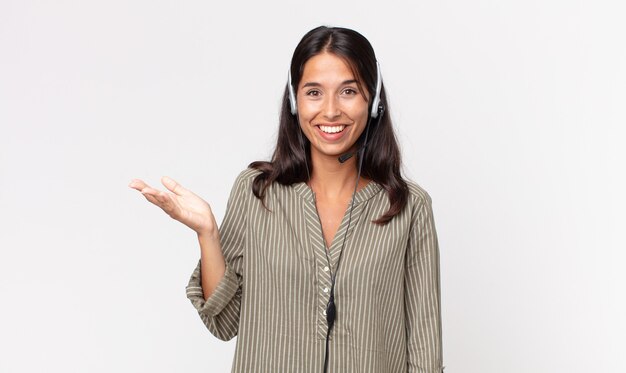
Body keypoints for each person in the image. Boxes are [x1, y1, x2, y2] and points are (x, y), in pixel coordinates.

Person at [129, 26, 443, 373]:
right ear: (294, 101)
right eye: (313, 92)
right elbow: (225, 320)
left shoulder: (410, 207)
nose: (331, 110)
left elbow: (425, 349)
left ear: (373, 101)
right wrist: (208, 234)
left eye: (348, 91)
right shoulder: (257, 192)